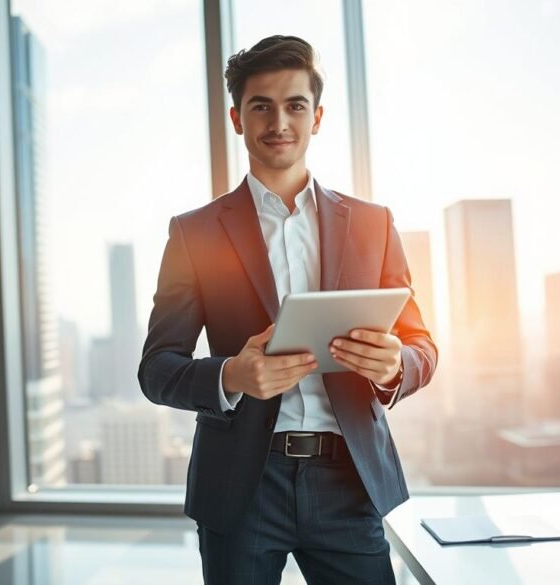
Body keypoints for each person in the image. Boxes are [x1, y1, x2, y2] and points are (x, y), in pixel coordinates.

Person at [139, 35, 437, 585]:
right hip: (242, 485)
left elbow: (422, 347)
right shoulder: (194, 233)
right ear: (237, 118)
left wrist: (395, 365)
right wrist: (231, 375)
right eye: (261, 106)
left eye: (296, 105)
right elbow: (156, 369)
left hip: (349, 481)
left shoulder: (373, 224)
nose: (280, 120)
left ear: (317, 117)